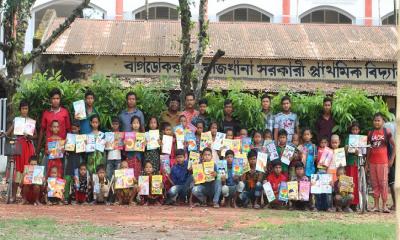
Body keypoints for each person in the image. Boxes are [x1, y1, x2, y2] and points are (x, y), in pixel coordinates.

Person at [4, 100, 36, 202]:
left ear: (28, 110)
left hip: (28, 146)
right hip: (18, 145)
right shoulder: (16, 120)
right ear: (20, 110)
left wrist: (30, 136)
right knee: (17, 170)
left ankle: (25, 196)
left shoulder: (31, 121)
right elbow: (9, 131)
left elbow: (36, 135)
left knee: (27, 169)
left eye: (26, 108)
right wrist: (4, 134)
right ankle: (13, 196)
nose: (24, 111)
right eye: (23, 109)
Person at [367, 112, 395, 213]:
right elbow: (369, 149)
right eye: (375, 120)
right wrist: (367, 164)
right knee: (375, 184)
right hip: (372, 162)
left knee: (383, 184)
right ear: (373, 122)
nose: (377, 122)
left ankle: (384, 206)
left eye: (379, 120)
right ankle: (375, 206)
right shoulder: (370, 133)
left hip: (383, 162)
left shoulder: (386, 131)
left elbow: (395, 146)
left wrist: (391, 159)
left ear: (382, 121)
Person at [37, 88, 71, 154]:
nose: (55, 101)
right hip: (49, 149)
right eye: (53, 98)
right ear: (50, 100)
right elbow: (42, 131)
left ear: (60, 99)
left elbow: (68, 130)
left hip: (62, 149)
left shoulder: (65, 112)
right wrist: (38, 148)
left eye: (57, 98)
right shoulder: (46, 113)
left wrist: (68, 147)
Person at [63, 120, 83, 204]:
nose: (74, 130)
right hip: (70, 160)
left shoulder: (82, 138)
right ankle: (67, 197)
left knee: (77, 179)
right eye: (73, 129)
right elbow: (66, 150)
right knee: (67, 179)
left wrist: (83, 144)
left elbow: (83, 151)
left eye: (76, 129)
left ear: (79, 128)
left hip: (78, 160)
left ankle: (76, 197)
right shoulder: (69, 137)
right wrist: (65, 145)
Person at [344, 122, 361, 209]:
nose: (355, 131)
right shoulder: (348, 139)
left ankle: (355, 203)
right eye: (353, 129)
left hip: (356, 163)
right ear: (351, 130)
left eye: (357, 129)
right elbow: (345, 152)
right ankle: (348, 203)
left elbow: (363, 152)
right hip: (349, 163)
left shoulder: (361, 139)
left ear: (359, 130)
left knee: (356, 183)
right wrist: (346, 149)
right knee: (349, 182)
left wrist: (359, 152)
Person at [384, 108, 396, 211]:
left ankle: (395, 204)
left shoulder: (386, 125)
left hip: (390, 154)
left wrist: (391, 158)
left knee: (392, 181)